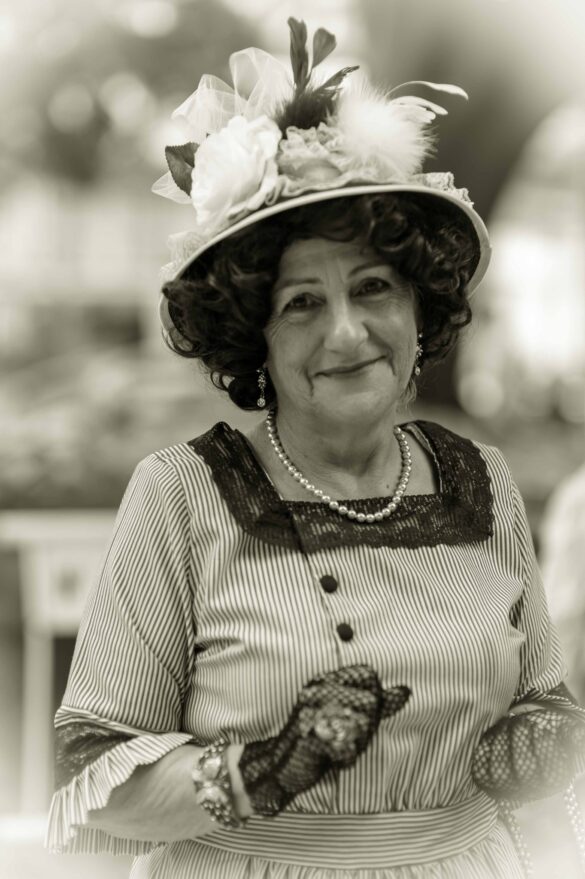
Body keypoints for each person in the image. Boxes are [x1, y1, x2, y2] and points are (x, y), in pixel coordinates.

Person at [47, 19, 585, 879]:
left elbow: (540, 700)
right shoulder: (179, 495)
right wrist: (266, 767)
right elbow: (94, 781)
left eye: (372, 288)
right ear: (252, 336)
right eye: (301, 302)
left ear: (418, 310)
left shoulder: (482, 481)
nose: (345, 332)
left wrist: (533, 743)